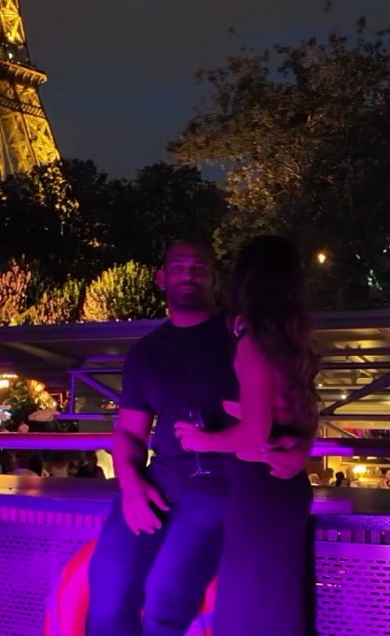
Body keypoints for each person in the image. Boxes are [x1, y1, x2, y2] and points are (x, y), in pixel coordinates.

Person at [87, 240, 310, 636]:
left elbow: (294, 397)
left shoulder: (242, 336)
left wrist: (302, 447)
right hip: (160, 481)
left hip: (223, 484)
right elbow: (128, 432)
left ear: (215, 278)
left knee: (163, 603)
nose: (188, 274)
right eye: (179, 266)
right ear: (161, 278)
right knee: (107, 589)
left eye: (199, 267)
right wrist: (132, 484)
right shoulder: (146, 352)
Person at [175, 234, 320, 636]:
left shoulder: (252, 343)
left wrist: (200, 440)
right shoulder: (290, 342)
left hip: (259, 490)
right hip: (284, 489)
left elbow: (256, 430)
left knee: (250, 607)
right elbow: (302, 411)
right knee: (277, 605)